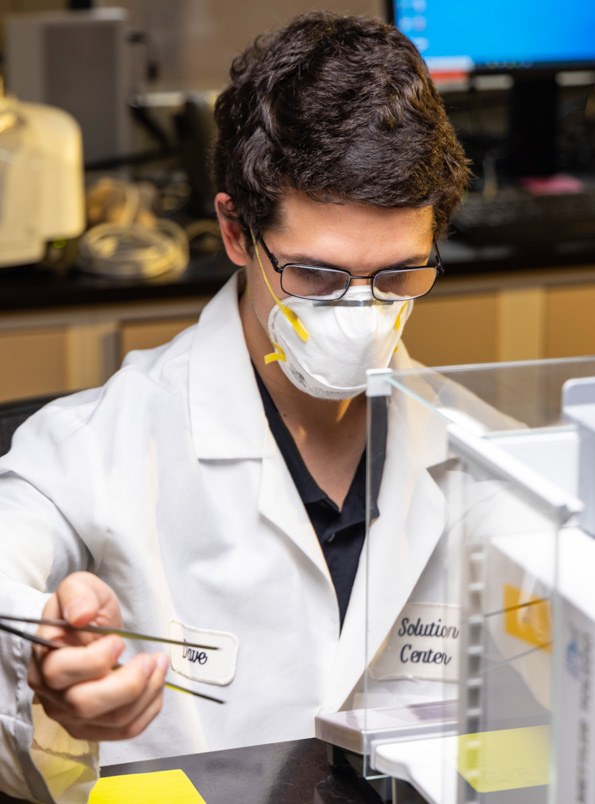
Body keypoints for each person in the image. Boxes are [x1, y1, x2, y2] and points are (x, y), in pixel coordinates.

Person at [0, 11, 469, 803]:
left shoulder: (488, 456)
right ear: (234, 231)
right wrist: (47, 680)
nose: (360, 314)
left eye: (395, 278)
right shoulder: (85, 452)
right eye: (316, 277)